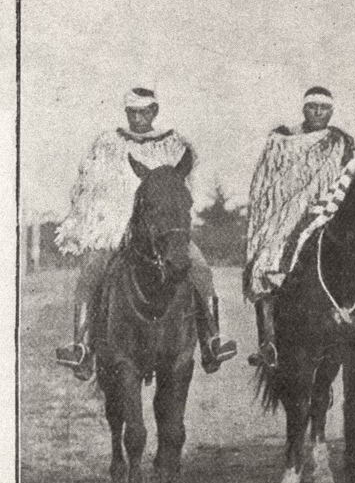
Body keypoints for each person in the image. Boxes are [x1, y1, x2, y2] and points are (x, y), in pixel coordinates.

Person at [53, 87, 236, 379]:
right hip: (113, 227)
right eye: (132, 112)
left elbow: (181, 187)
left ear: (154, 112)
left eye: (144, 112)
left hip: (162, 229)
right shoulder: (108, 144)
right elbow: (92, 188)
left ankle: (211, 341)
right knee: (92, 269)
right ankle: (82, 348)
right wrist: (103, 221)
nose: (138, 118)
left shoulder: (174, 144)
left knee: (200, 267)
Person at [243, 86, 355, 371]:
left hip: (324, 215)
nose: (318, 113)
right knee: (265, 261)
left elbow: (346, 182)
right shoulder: (281, 140)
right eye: (313, 107)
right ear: (303, 109)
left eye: (324, 108)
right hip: (283, 217)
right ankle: (268, 342)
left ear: (331, 111)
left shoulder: (340, 142)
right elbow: (266, 185)